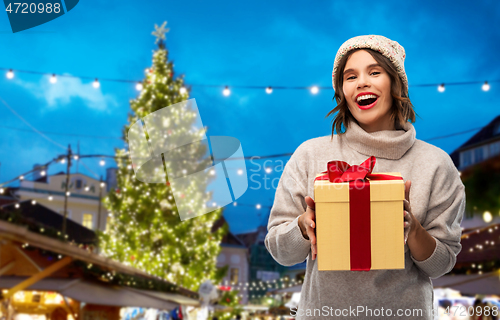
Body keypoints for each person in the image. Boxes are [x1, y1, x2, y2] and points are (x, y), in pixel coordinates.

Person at [264, 35, 465, 320]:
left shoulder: (435, 164)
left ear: (396, 82)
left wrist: (413, 229)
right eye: (350, 76)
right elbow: (279, 251)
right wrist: (302, 225)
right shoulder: (310, 154)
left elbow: (441, 264)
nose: (361, 82)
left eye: (374, 72)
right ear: (342, 91)